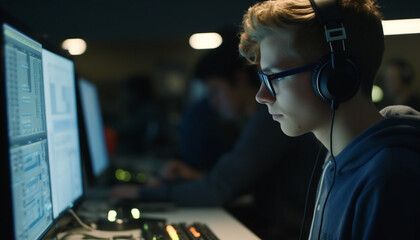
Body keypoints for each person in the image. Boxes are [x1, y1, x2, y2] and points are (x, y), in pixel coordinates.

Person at [110, 33, 324, 239]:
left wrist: (140, 194)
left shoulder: (270, 121)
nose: (212, 102)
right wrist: (199, 178)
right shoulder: (256, 120)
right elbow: (234, 182)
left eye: (215, 90)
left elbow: (218, 190)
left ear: (239, 80)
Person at [238, 0, 420, 239]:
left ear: (334, 76)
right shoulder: (338, 159)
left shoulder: (391, 178)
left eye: (275, 76)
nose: (261, 96)